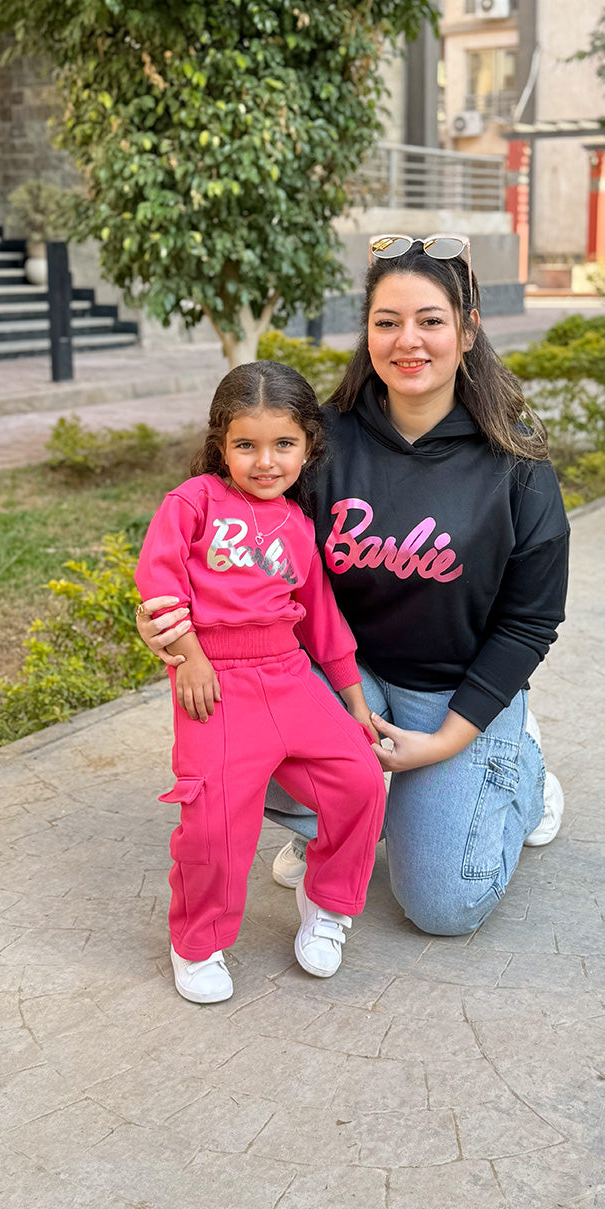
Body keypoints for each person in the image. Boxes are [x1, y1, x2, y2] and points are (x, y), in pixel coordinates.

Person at [139, 234, 569, 938]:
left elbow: (529, 623)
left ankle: (517, 771)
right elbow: (228, 551)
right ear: (365, 332)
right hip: (341, 675)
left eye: (430, 320)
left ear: (467, 329)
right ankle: (344, 818)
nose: (408, 341)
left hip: (451, 688)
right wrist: (169, 626)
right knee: (234, 739)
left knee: (443, 908)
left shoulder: (515, 463)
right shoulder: (319, 443)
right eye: (386, 321)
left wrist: (444, 744)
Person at [135, 361, 386, 1003]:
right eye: (246, 445)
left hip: (290, 674)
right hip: (214, 682)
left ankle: (327, 901)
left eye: (283, 445)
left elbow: (323, 620)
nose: (265, 461)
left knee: (359, 777)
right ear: (222, 443)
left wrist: (354, 702)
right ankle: (198, 942)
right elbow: (159, 582)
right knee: (215, 823)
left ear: (308, 446)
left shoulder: (300, 526)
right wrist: (187, 655)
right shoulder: (191, 504)